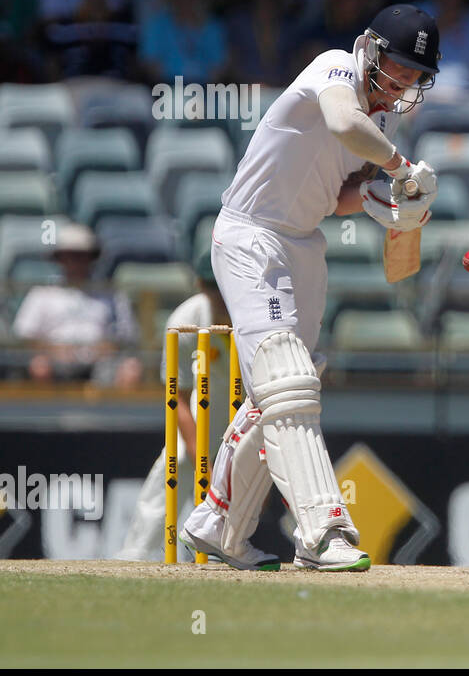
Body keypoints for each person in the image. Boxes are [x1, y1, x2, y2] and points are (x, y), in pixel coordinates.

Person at [181, 3, 442, 573]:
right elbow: (345, 125)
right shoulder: (334, 70)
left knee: (279, 391)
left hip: (302, 244)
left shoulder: (388, 121)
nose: (402, 83)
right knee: (288, 378)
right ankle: (323, 529)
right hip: (251, 234)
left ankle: (219, 524)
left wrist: (394, 210)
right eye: (396, 67)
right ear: (370, 51)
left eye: (414, 76)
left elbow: (345, 193)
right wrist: (400, 168)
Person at [116, 252, 279, 566]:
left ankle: (227, 549)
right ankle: (137, 556)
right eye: (212, 286)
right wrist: (196, 449)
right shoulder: (184, 321)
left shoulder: (257, 320)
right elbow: (176, 396)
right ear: (200, 285)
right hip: (197, 421)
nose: (219, 294)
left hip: (246, 422)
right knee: (170, 468)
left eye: (223, 286)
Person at [12, 223, 141, 387]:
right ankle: (46, 412)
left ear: (91, 258)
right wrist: (53, 349)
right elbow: (24, 335)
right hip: (55, 364)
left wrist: (108, 347)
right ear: (60, 259)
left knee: (131, 369)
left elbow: (126, 335)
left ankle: (118, 413)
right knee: (39, 366)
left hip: (102, 364)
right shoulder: (42, 292)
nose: (76, 262)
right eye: (70, 256)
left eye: (81, 255)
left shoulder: (111, 294)